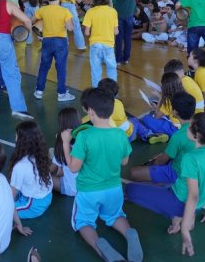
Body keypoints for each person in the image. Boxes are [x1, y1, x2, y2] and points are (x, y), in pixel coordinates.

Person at [126, 112, 205, 256]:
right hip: (197, 207)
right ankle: (183, 218)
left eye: (190, 126)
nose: (187, 127)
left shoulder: (190, 158)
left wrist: (184, 230)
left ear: (197, 135)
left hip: (179, 202)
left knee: (131, 190)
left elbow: (193, 196)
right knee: (166, 188)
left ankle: (180, 218)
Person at [60, 87, 143, 262]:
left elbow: (73, 168)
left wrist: (66, 143)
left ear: (90, 111)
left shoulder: (85, 137)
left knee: (84, 223)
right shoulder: (120, 135)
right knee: (116, 216)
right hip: (113, 189)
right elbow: (124, 162)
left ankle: (99, 246)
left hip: (89, 191)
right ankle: (129, 234)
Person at [129, 92, 197, 184]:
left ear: (175, 112)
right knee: (160, 156)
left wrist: (152, 167)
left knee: (133, 173)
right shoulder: (198, 126)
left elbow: (161, 161)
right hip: (190, 168)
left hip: (177, 173)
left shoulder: (178, 136)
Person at [32, 0, 74, 101]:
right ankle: (61, 93)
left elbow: (31, 21)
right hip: (61, 41)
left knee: (44, 66)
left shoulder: (42, 10)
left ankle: (39, 91)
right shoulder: (65, 11)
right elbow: (70, 28)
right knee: (61, 67)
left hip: (47, 41)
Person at [10, 120, 53, 220]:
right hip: (47, 197)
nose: (15, 138)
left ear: (22, 140)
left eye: (16, 136)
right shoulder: (41, 153)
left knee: (1, 210)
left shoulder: (20, 166)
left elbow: (12, 193)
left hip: (33, 205)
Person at [81, 0, 119, 87]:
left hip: (95, 45)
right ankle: (113, 94)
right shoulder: (113, 12)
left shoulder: (90, 12)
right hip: (109, 46)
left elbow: (86, 33)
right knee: (111, 70)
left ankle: (96, 93)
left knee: (96, 71)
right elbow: (116, 32)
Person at [51, 107, 82, 197]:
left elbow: (52, 168)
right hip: (88, 189)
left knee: (44, 178)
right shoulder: (85, 138)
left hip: (71, 189)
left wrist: (42, 175)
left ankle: (61, 168)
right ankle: (61, 168)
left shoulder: (62, 144)